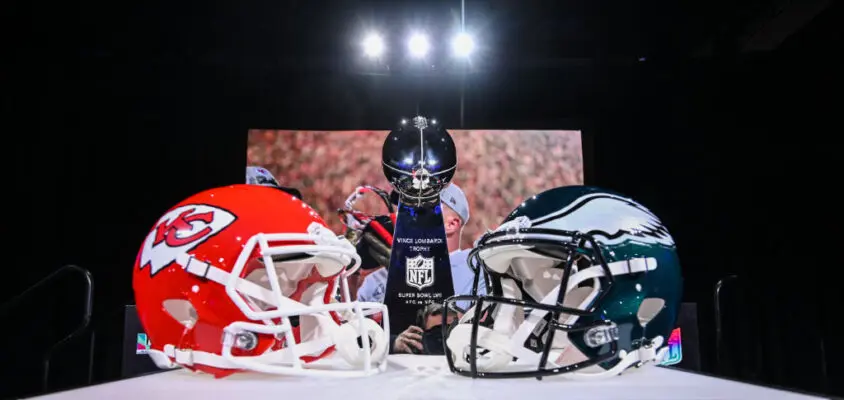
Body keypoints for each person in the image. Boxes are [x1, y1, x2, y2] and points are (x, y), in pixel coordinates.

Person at [354, 183, 488, 354]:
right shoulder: (376, 279)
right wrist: (392, 342)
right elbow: (352, 337)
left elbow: (486, 334)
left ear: (451, 224)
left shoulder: (475, 267)